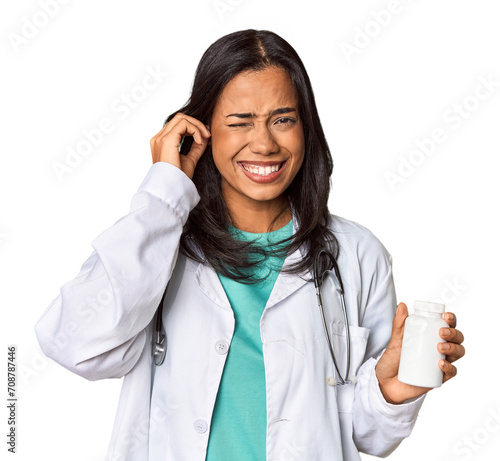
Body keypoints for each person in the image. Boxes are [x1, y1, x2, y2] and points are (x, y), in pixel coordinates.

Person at [35, 29, 465, 461]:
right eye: (240, 122)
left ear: (306, 127)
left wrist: (393, 389)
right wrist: (164, 193)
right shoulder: (158, 241)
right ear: (203, 131)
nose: (264, 144)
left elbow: (366, 435)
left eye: (283, 120)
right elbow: (76, 345)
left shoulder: (356, 255)